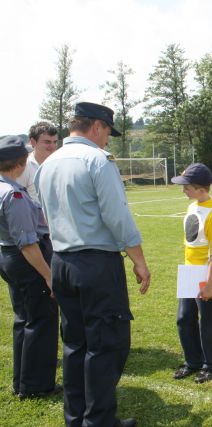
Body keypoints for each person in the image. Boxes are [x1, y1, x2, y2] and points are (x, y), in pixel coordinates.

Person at [35, 102, 151, 427]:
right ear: (97, 127)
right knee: (106, 344)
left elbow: (45, 216)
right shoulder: (97, 161)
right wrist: (139, 260)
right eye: (107, 134)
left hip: (61, 261)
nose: (107, 141)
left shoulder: (48, 163)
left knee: (74, 345)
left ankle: (77, 418)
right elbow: (117, 217)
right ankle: (98, 420)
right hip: (96, 264)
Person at [0, 135, 59, 399]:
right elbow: (27, 243)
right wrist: (48, 276)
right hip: (26, 260)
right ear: (22, 162)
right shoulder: (14, 194)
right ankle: (36, 385)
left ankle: (22, 381)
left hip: (8, 256)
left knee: (23, 318)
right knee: (41, 320)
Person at [171, 163, 212, 383]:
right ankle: (192, 361)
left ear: (201, 189)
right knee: (184, 318)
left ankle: (211, 364)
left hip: (207, 273)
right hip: (189, 272)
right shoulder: (191, 207)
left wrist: (209, 283)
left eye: (187, 187)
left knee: (208, 320)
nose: (184, 190)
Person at [16, 121, 57, 201]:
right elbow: (17, 199)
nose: (52, 146)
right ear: (33, 142)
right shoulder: (24, 167)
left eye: (55, 142)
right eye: (47, 142)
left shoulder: (59, 164)